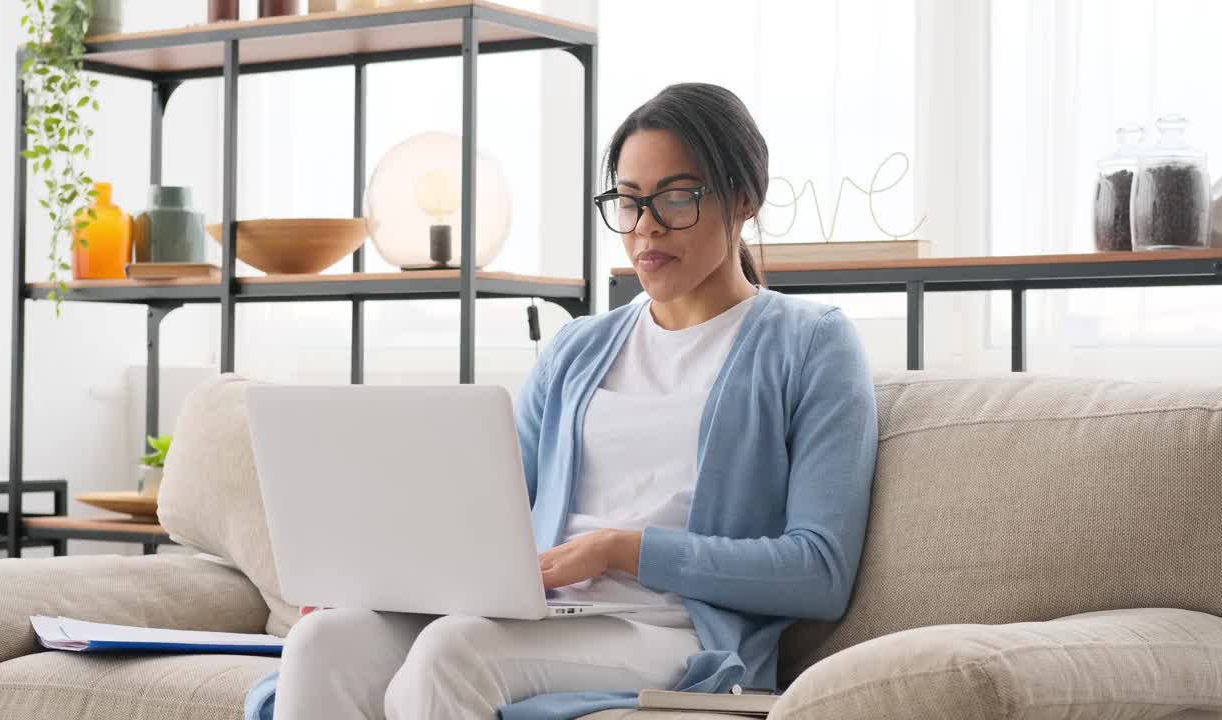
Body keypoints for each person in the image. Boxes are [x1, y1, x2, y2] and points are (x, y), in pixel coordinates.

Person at [267, 82, 879, 720]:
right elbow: (485, 517)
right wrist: (380, 581)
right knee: (323, 641)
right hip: (541, 611)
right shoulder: (578, 349)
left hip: (676, 632)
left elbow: (820, 570)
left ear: (744, 199)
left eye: (676, 197)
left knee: (455, 651)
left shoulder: (810, 343)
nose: (645, 226)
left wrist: (624, 550)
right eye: (629, 201)